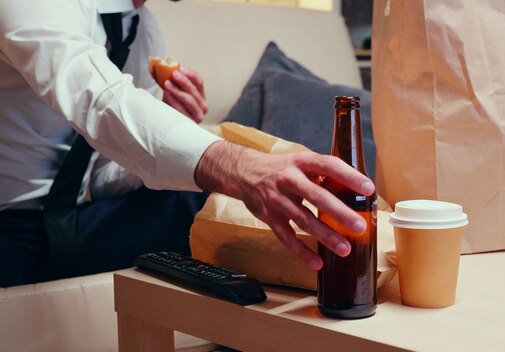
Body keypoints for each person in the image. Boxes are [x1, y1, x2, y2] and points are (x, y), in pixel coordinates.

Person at [0, 0, 375, 287]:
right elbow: (100, 101)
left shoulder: (143, 30)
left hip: (81, 221)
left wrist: (170, 123)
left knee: (205, 204)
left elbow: (100, 176)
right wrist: (235, 166)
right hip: (9, 228)